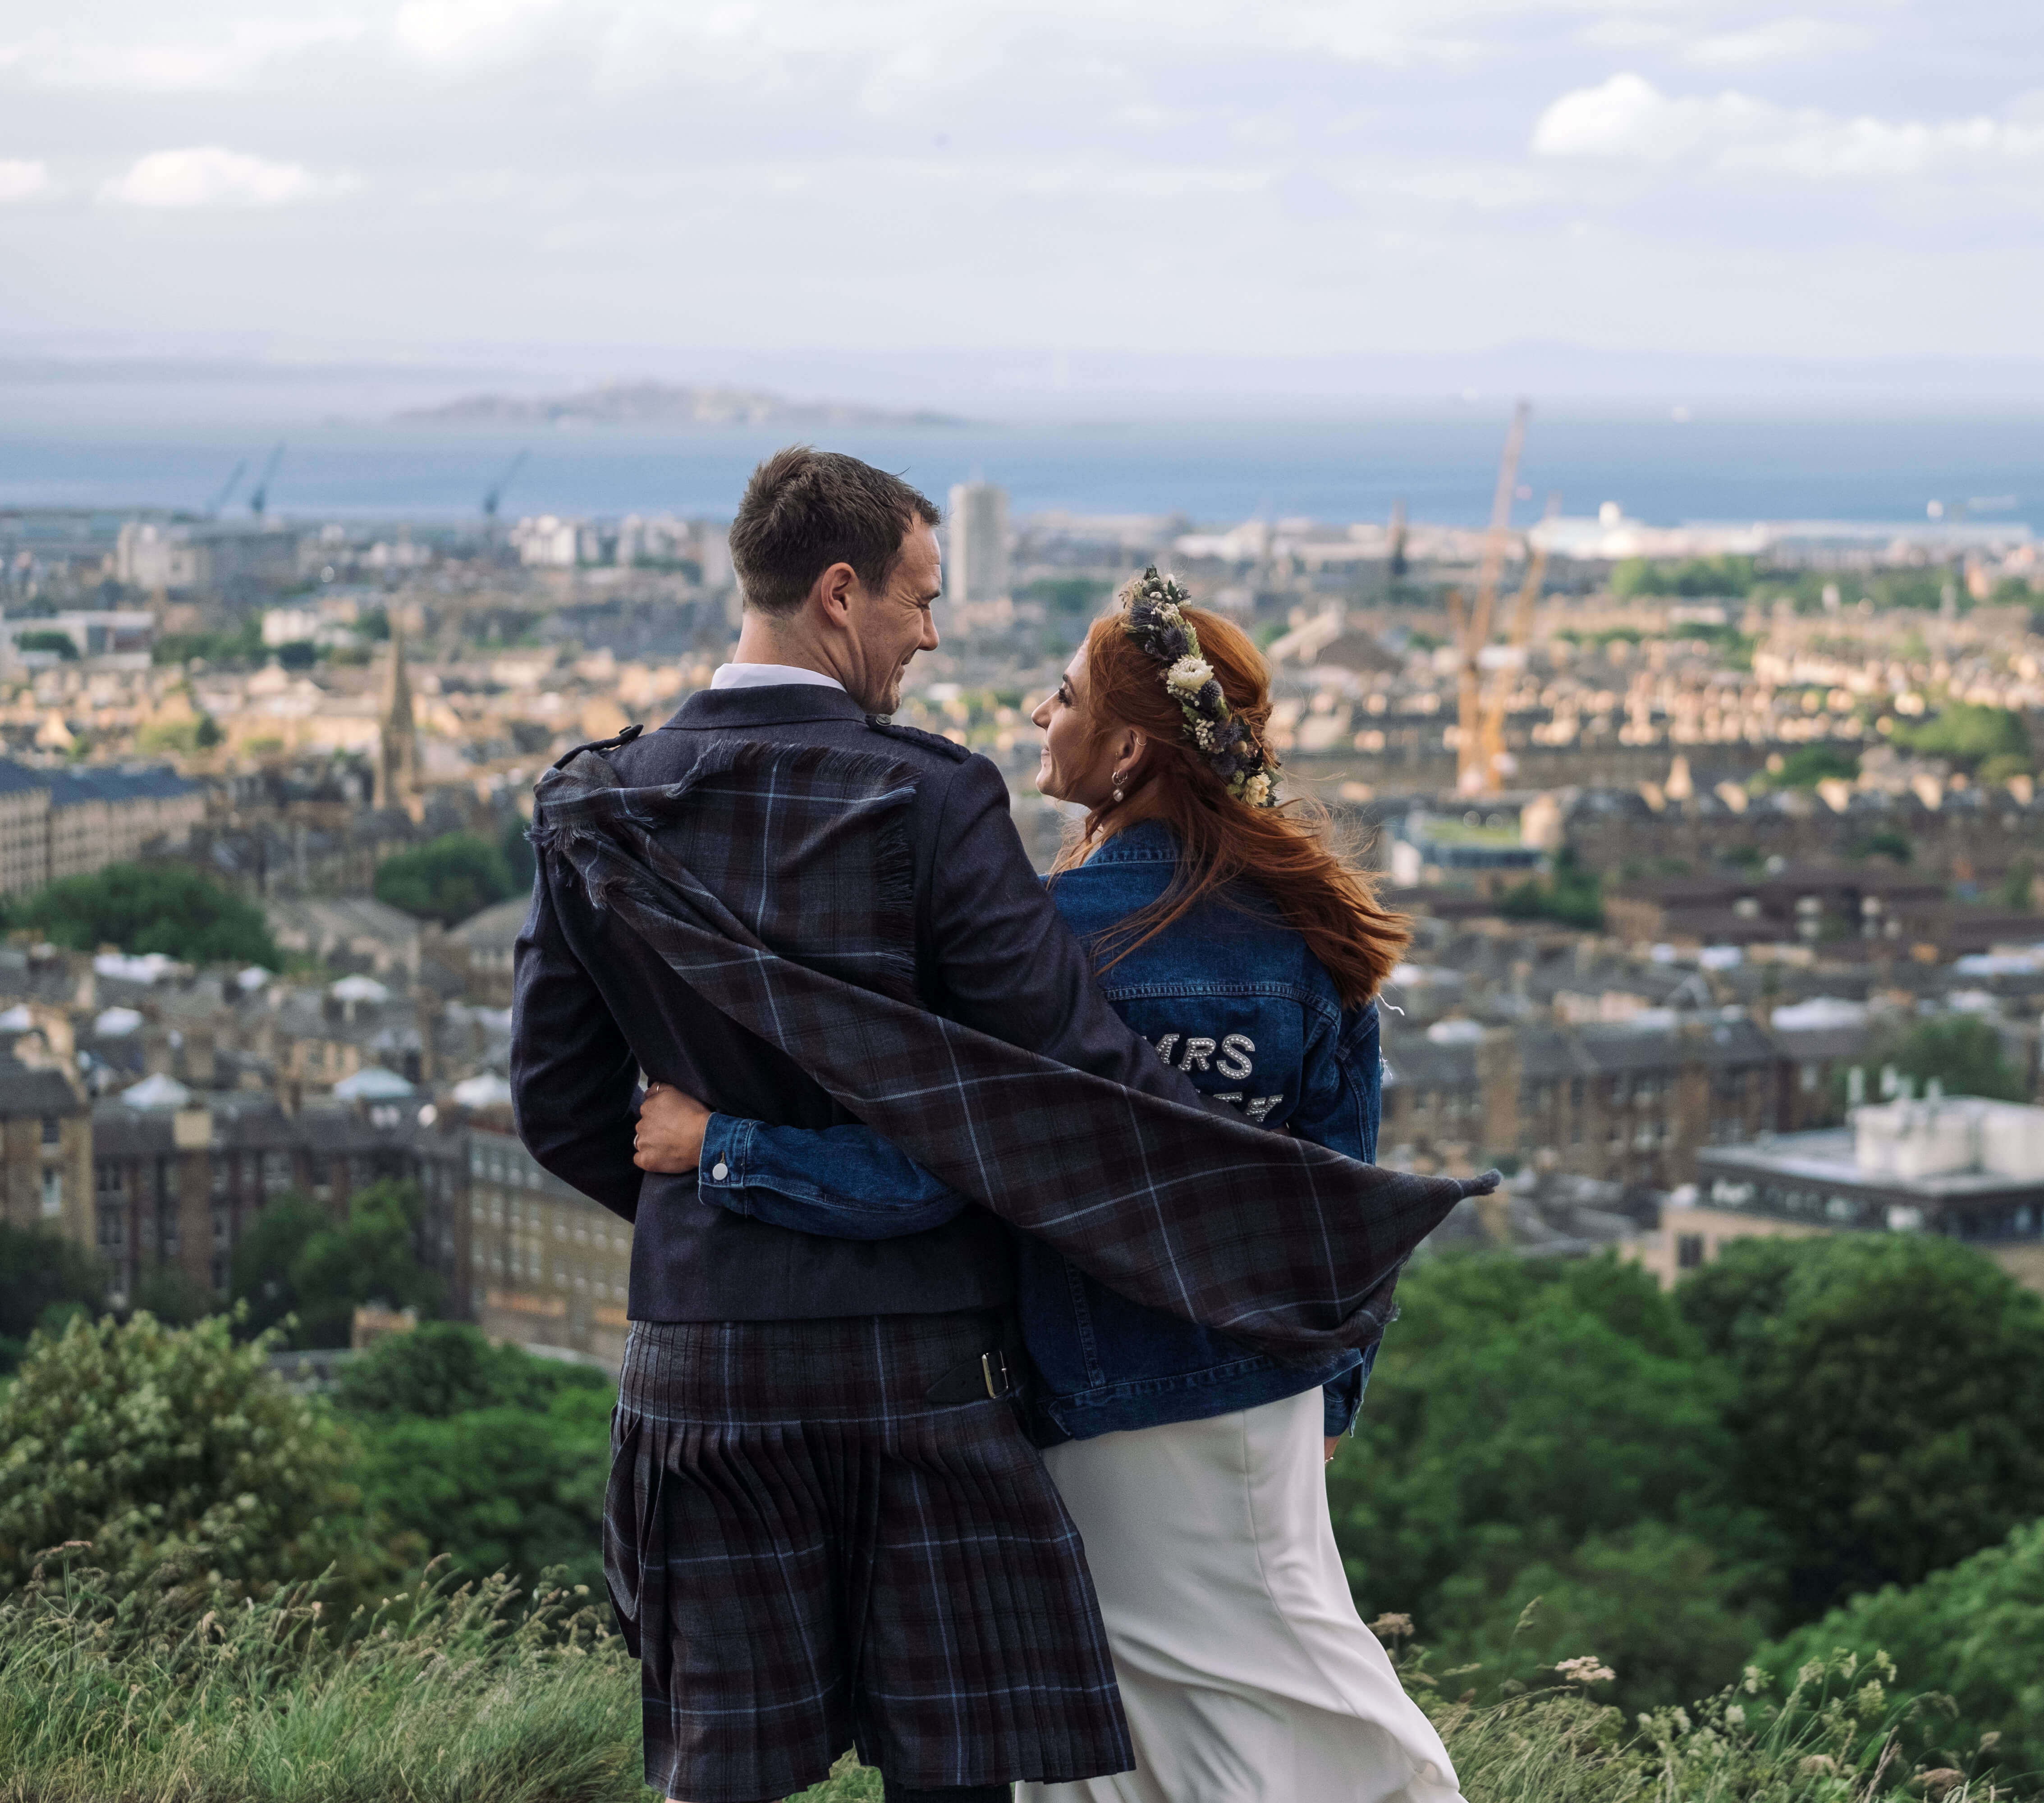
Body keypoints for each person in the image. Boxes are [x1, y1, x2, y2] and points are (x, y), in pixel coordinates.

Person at [630, 575, 1464, 1803]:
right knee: (1267, 1676)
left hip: (1099, 1385)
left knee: (1132, 1725)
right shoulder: (1309, 933)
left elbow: (926, 1176)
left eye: (1064, 697)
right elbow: (1342, 1213)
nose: (1038, 714)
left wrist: (721, 1147)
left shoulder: (1031, 938)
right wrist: (1330, 1401)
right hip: (1269, 1389)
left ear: (1128, 749)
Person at [512, 449, 1207, 1803]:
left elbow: (555, 1106)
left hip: (704, 1368)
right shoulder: (932, 798)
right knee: (956, 1769)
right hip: (928, 1371)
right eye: (918, 602)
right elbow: (1072, 1070)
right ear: (840, 595)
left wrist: (724, 1202)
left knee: (724, 1770)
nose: (931, 636)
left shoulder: (593, 803)